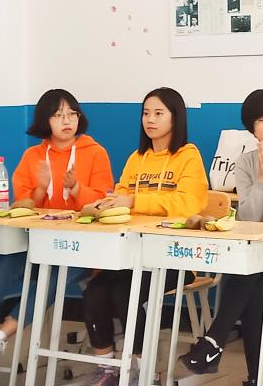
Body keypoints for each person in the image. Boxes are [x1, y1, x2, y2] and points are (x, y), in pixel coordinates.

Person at [0, 89, 114, 373]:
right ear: (45, 121)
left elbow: (104, 203)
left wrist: (76, 188)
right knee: (7, 261)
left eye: (72, 114)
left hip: (83, 249)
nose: (66, 120)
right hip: (38, 242)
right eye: (58, 115)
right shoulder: (33, 156)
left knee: (53, 276)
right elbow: (21, 206)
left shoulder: (95, 153)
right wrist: (41, 189)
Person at [180, 90, 263, 385]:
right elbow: (249, 217)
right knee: (252, 279)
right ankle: (256, 378)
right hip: (261, 261)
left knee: (250, 278)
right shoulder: (245, 162)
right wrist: (261, 178)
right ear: (251, 126)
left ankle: (215, 344)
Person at [81, 87, 208, 386]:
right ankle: (107, 367)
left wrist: (134, 201)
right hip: (132, 255)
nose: (150, 119)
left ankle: (141, 369)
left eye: (158, 113)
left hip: (174, 258)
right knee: (94, 291)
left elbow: (187, 205)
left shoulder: (188, 157)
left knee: (125, 292)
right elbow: (121, 196)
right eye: (146, 113)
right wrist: (103, 205)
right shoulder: (136, 159)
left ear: (176, 118)